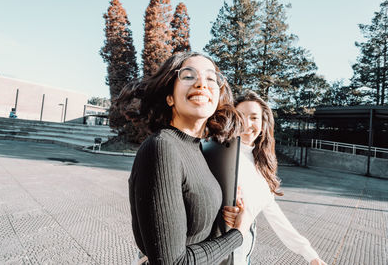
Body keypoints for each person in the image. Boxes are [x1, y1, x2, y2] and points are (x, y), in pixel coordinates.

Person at [125, 52, 253, 264]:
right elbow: (173, 262)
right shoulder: (162, 147)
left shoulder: (200, 148)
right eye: (188, 76)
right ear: (170, 96)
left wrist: (225, 213)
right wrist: (238, 234)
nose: (202, 83)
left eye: (211, 78)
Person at [223, 90, 327, 265]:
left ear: (264, 123)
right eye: (240, 116)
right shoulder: (220, 153)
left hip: (244, 255)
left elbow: (275, 215)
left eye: (254, 117)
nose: (247, 123)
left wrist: (310, 255)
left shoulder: (260, 164)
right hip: (221, 255)